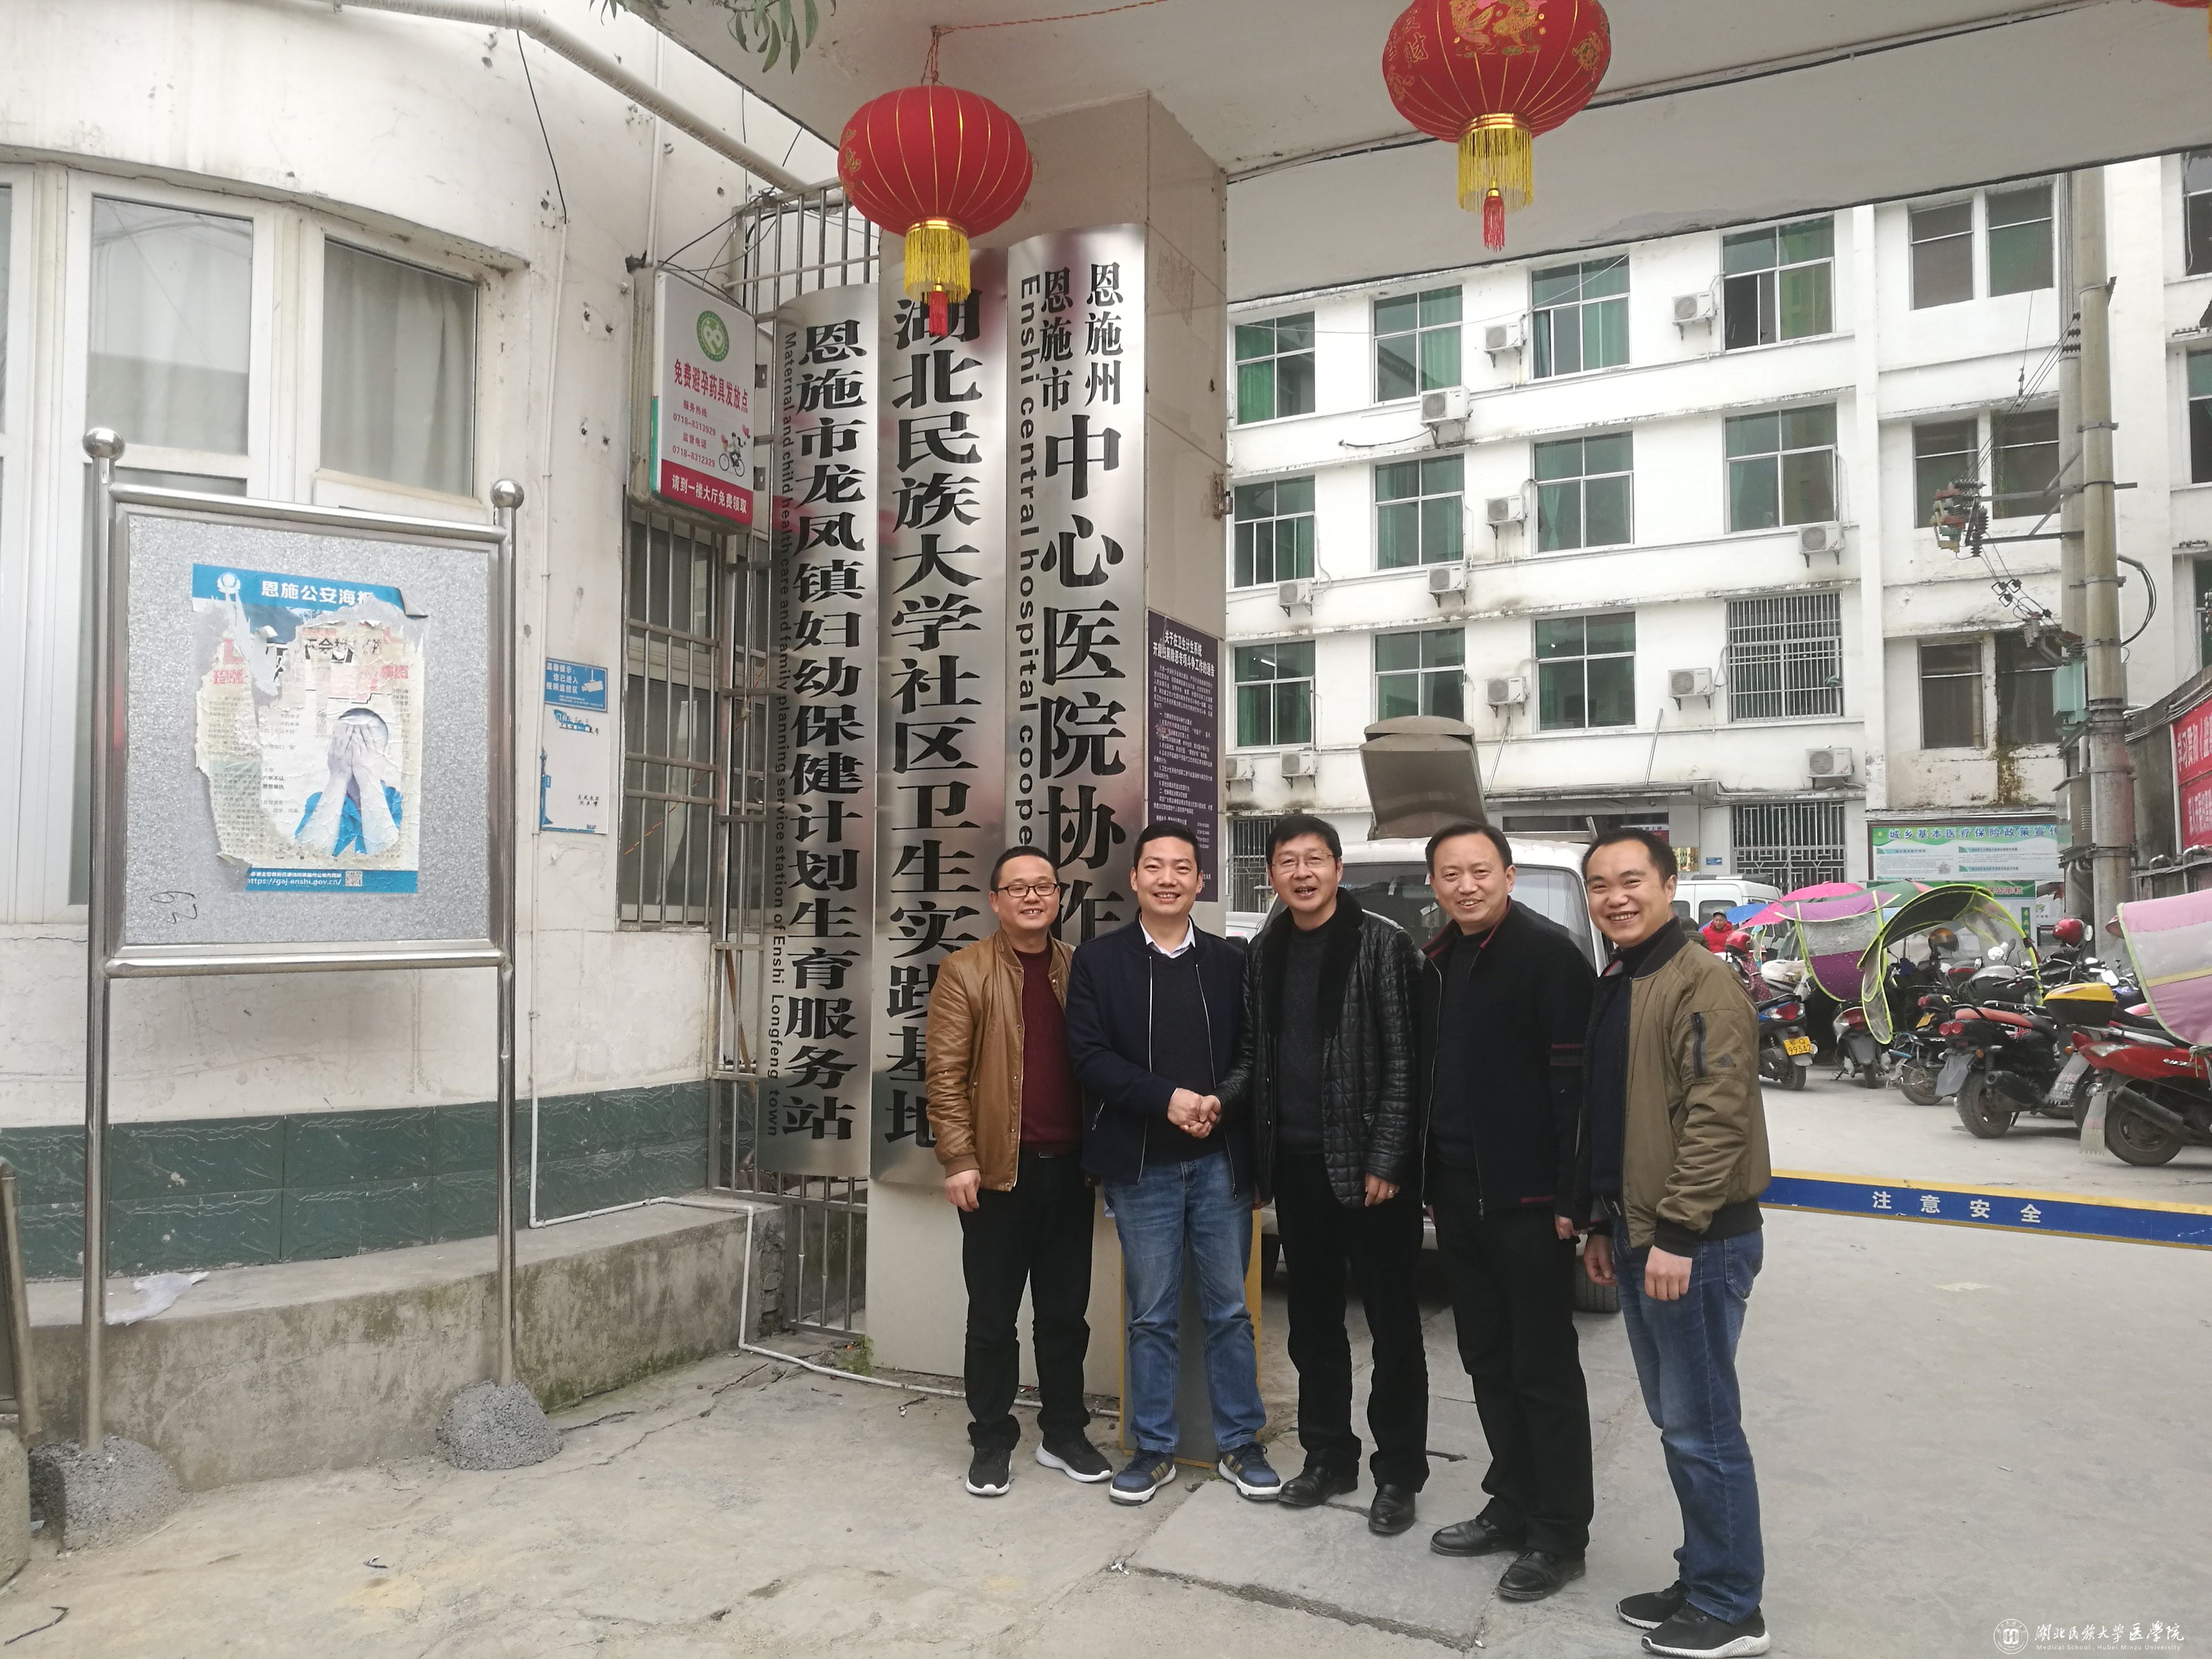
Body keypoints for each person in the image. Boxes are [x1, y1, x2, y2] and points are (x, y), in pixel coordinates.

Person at [1576, 829, 1773, 1659]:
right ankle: (1702, 1576)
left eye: (1631, 881)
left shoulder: (1702, 981)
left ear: (1667, 885)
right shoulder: (1625, 977)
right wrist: (1601, 1221)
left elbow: (1716, 1116)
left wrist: (1679, 1233)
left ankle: (1732, 1606)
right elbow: (1613, 1115)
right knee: (1676, 1420)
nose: (1615, 898)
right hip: (1639, 1230)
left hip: (1693, 1241)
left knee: (1703, 1425)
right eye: (1600, 885)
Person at [1217, 814, 1428, 1535]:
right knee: (1311, 1325)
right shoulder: (1264, 951)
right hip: (1298, 1167)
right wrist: (1221, 1110)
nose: (1302, 873)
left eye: (1314, 859)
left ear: (1339, 869)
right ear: (1270, 876)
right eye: (1288, 862)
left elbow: (1405, 1062)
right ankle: (1328, 1456)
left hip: (1373, 1175)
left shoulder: (1382, 944)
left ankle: (1398, 1473)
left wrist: (1388, 1159)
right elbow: (1254, 1057)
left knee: (1392, 1326)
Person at [1064, 823, 1280, 1507]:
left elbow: (1252, 1054)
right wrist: (1167, 1100)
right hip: (1142, 1170)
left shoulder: (1229, 961)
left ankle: (1240, 1443)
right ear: (1134, 879)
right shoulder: (1098, 962)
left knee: (1228, 1312)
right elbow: (1089, 1057)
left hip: (1219, 1164)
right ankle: (1152, 1448)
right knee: (1151, 1315)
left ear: (1199, 880)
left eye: (1181, 868)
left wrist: (1218, 1101)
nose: (1167, 879)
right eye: (1153, 867)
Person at [1417, 822, 1597, 1603]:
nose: (1466, 886)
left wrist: (1571, 1198)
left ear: (1508, 876)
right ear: (1434, 885)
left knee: (1542, 1367)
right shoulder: (1437, 960)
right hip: (1459, 1192)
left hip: (1529, 1202)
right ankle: (1512, 1501)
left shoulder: (1549, 956)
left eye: (1479, 871)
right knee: (1487, 1358)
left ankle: (1559, 1532)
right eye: (1450, 874)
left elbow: (1578, 1091)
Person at [925, 847, 1111, 1498]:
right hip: (997, 1177)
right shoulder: (965, 971)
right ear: (995, 900)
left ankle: (1064, 1433)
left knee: (1064, 1317)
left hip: (1070, 1172)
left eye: (1043, 886)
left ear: (1058, 898)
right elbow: (944, 1076)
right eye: (1018, 888)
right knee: (992, 1319)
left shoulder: (1078, 968)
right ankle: (991, 1439)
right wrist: (958, 1158)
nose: (1032, 897)